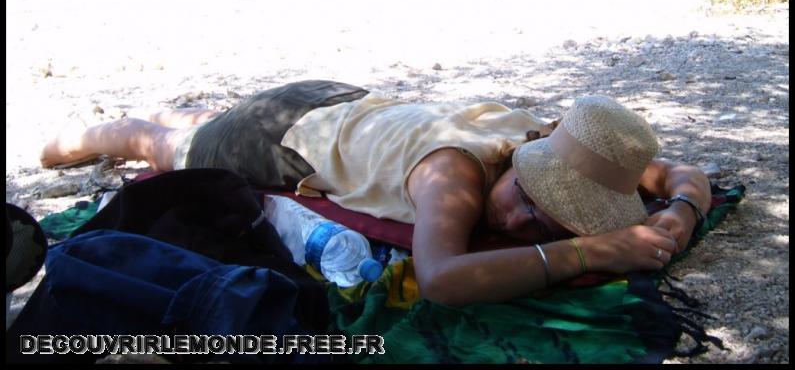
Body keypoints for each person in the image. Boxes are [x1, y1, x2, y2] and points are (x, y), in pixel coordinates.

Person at [40, 80, 711, 306]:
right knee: (155, 145)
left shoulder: (561, 140)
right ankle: (91, 130)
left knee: (200, 122)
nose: (519, 221)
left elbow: (687, 176)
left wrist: (680, 212)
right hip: (284, 136)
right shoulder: (452, 175)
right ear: (520, 168)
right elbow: (443, 279)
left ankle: (181, 114)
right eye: (527, 201)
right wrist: (587, 250)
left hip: (343, 103)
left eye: (549, 224)